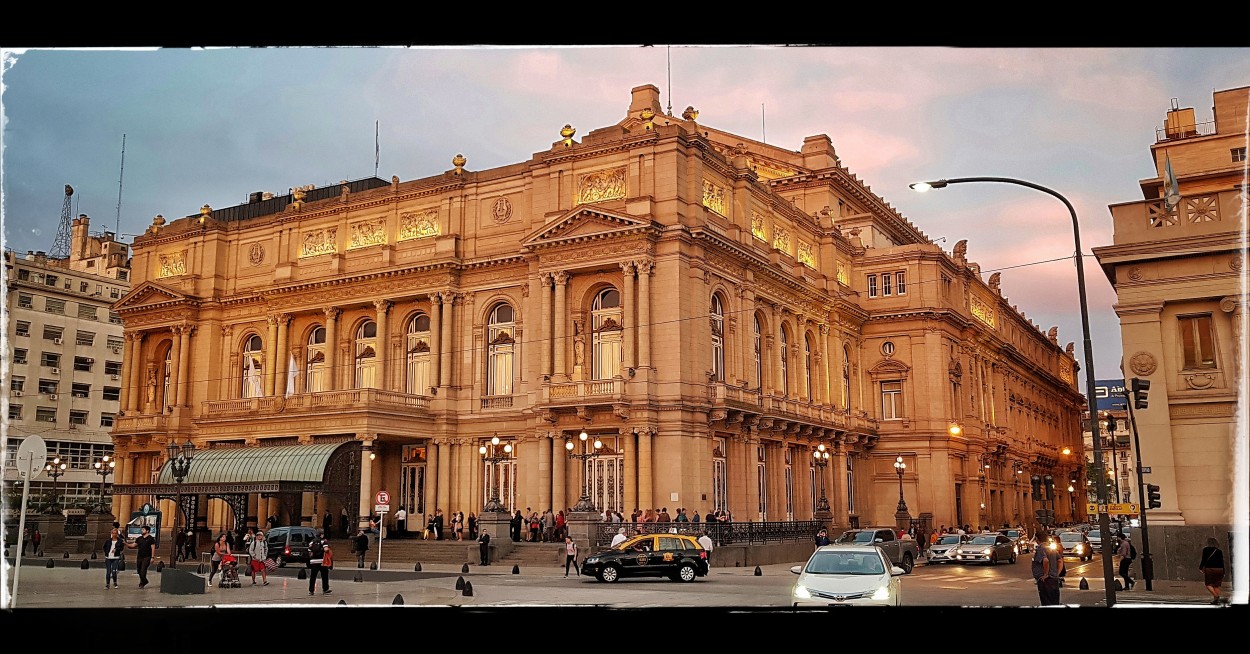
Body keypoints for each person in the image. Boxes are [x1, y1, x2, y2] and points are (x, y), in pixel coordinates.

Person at [1031, 531, 1062, 606]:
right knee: (1054, 601)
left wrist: (1045, 574)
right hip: (1054, 579)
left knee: (1046, 602)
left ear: (1037, 539)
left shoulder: (1041, 549)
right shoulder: (1051, 548)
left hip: (1045, 581)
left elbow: (1045, 560)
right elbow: (1060, 560)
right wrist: (1057, 573)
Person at [126, 524, 158, 588]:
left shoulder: (150, 539)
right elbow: (133, 545)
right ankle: (144, 581)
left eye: (143, 529)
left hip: (147, 556)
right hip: (140, 556)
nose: (142, 531)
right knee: (139, 570)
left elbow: (153, 548)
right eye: (142, 529)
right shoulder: (139, 538)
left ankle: (142, 583)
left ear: (147, 531)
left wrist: (152, 557)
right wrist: (126, 544)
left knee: (143, 570)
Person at [1199, 537, 1225, 604]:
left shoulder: (1205, 549)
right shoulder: (1219, 551)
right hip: (1220, 569)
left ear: (1208, 543)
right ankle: (1215, 600)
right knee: (1216, 585)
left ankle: (1216, 596)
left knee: (1208, 584)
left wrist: (1201, 567)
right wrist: (1223, 571)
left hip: (1210, 569)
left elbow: (1203, 559)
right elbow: (1222, 562)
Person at [307, 530, 331, 596]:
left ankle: (311, 591)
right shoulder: (323, 541)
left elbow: (310, 552)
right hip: (322, 561)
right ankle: (325, 589)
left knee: (313, 576)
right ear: (321, 535)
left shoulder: (312, 542)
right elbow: (326, 549)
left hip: (313, 561)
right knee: (325, 575)